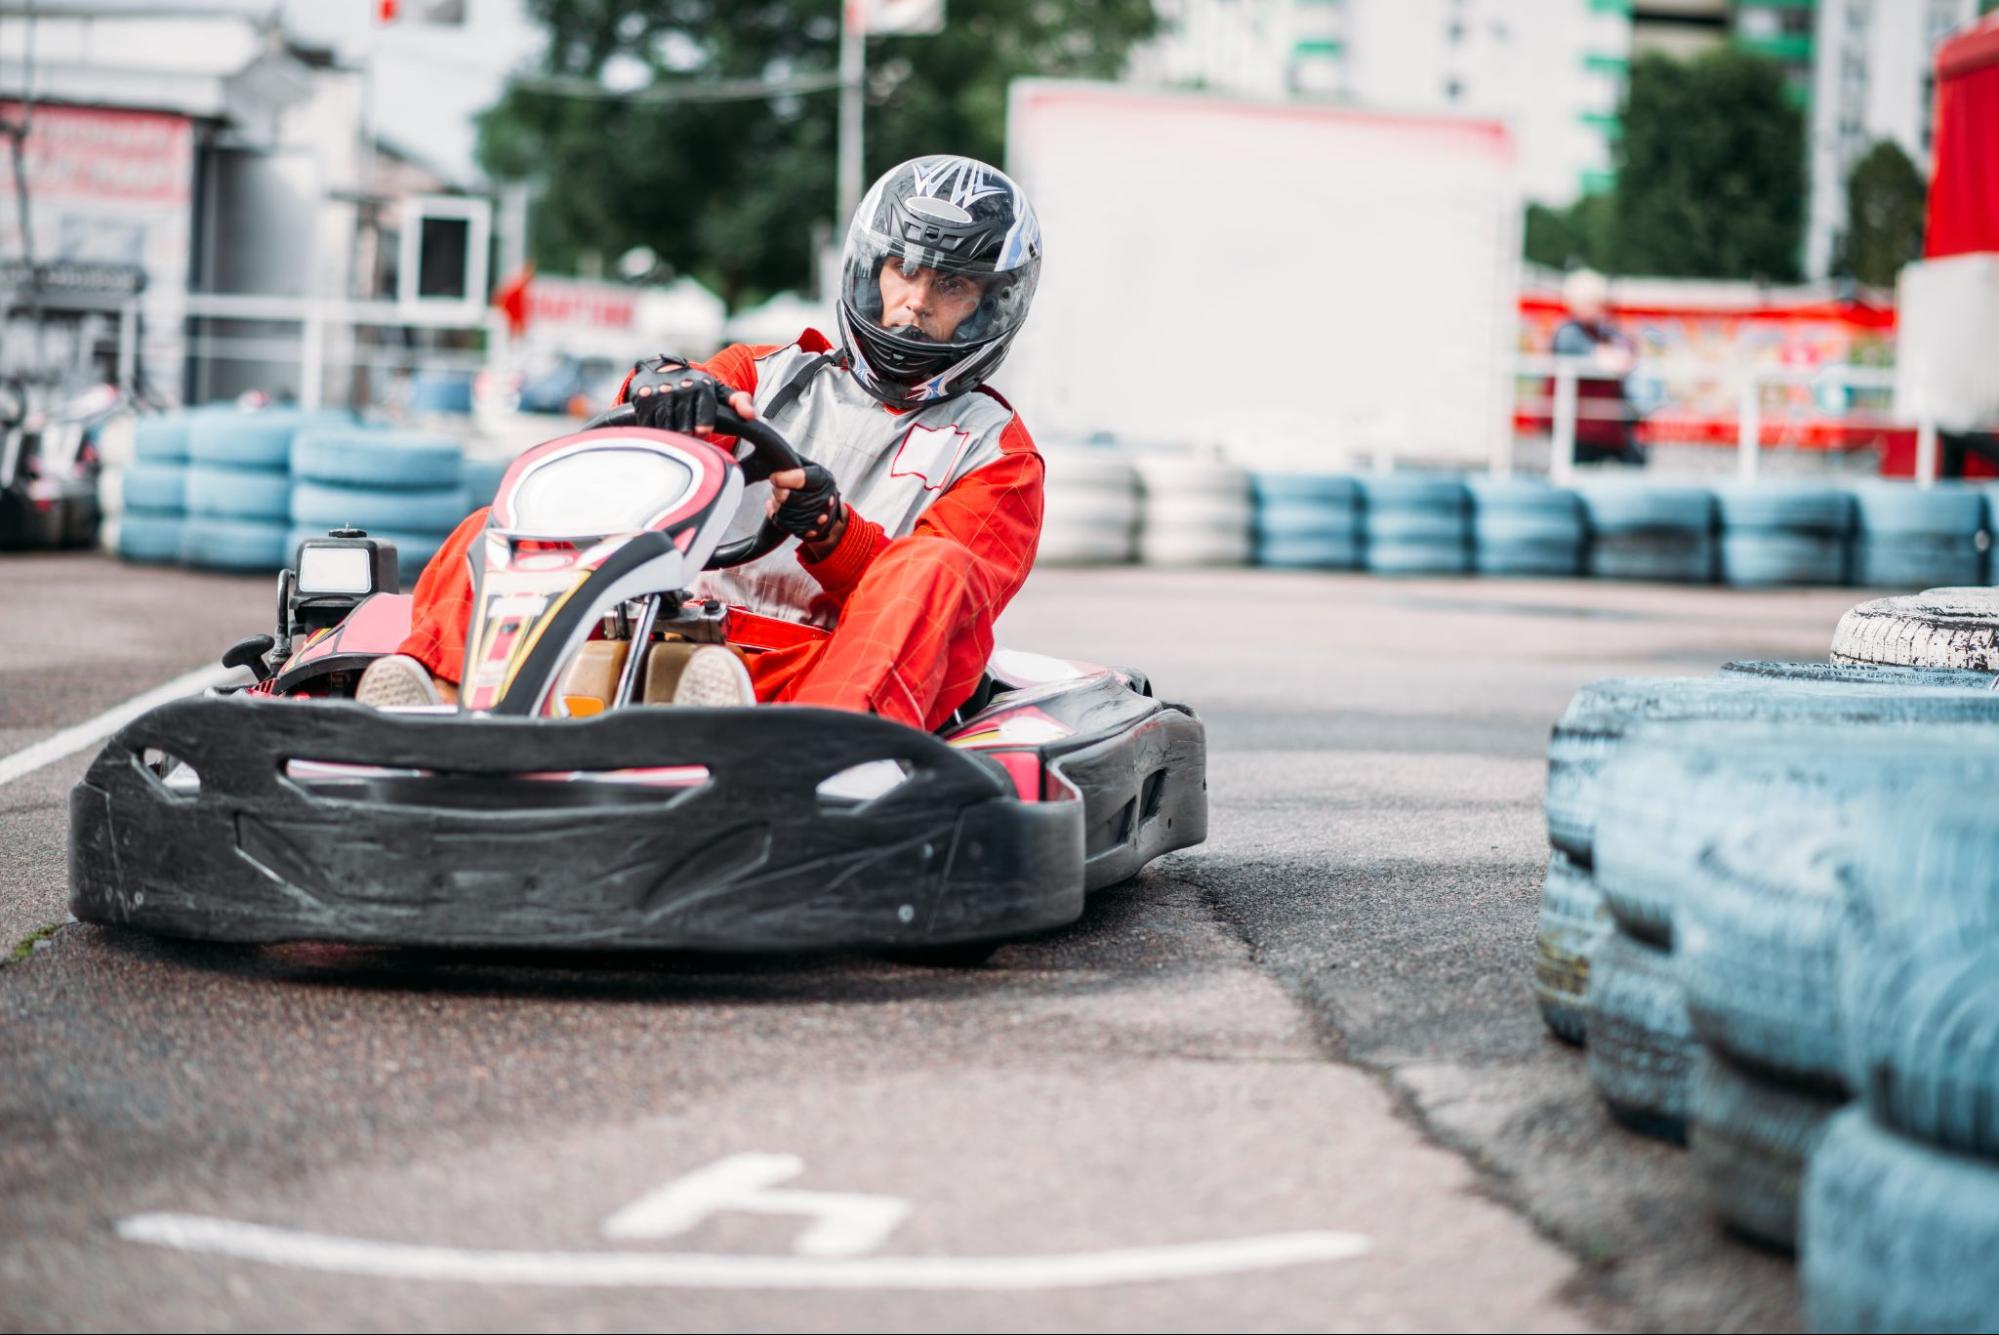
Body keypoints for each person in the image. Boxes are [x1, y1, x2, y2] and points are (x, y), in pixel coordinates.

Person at [356, 154, 1046, 731]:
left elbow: (947, 609)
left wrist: (832, 533)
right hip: (683, 642)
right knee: (506, 525)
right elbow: (648, 436)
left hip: (835, 673)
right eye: (904, 268)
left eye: (950, 284)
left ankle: (825, 767)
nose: (916, 301)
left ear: (990, 304)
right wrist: (659, 384)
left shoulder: (998, 455)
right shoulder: (762, 371)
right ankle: (443, 701)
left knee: (933, 570)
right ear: (871, 268)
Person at [1551, 268, 1644, 467]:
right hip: (1582, 424)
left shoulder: (1603, 331)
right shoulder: (1569, 334)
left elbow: (1627, 352)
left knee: (1635, 461)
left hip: (1605, 424)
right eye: (1594, 303)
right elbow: (1610, 360)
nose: (1601, 309)